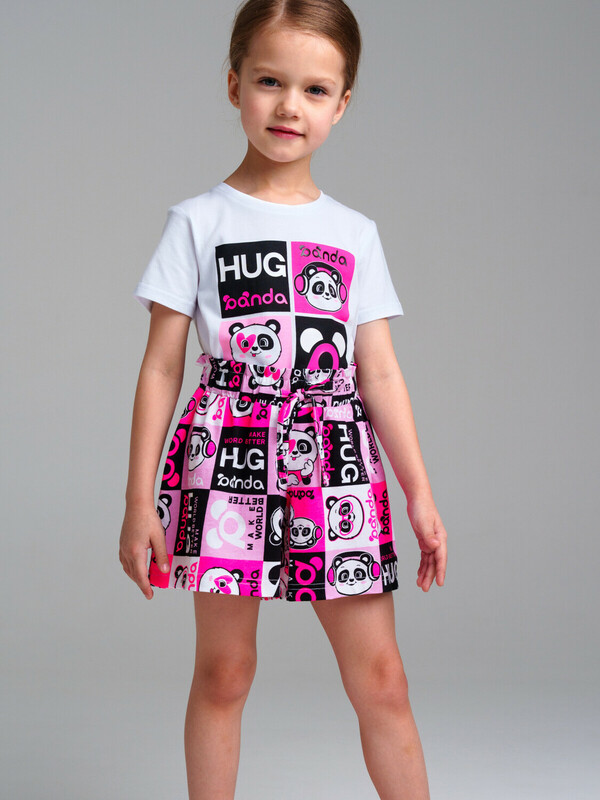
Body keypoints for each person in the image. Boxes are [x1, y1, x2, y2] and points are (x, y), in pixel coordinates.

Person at [119, 1, 448, 797]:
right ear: (235, 85)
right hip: (225, 464)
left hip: (336, 466)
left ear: (342, 104)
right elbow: (161, 368)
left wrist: (419, 493)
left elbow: (379, 373)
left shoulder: (355, 233)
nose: (289, 106)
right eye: (270, 81)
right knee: (225, 672)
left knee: (383, 678)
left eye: (314, 89)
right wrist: (137, 501)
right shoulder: (197, 223)